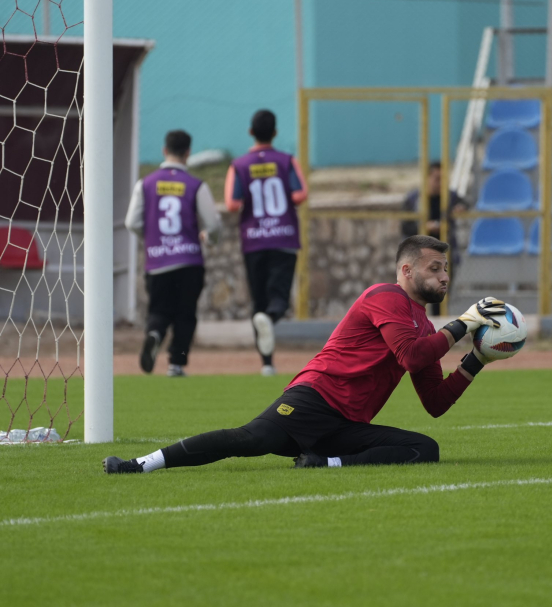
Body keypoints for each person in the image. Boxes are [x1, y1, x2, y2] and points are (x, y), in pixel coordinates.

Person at [102, 235, 506, 474]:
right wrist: (466, 321)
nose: (444, 276)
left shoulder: (423, 326)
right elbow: (412, 357)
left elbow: (434, 402)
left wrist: (476, 361)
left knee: (426, 450)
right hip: (314, 399)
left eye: (446, 269)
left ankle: (326, 463)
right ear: (406, 271)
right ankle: (141, 464)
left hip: (345, 423)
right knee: (249, 439)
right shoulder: (384, 296)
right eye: (435, 268)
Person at [125, 130, 220, 377]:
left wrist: (152, 239)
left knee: (159, 309)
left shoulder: (144, 184)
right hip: (189, 261)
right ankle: (176, 364)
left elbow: (131, 222)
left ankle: (155, 334)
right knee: (185, 314)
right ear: (188, 153)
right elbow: (214, 224)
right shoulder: (196, 185)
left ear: (164, 151)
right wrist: (209, 240)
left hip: (158, 261)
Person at [223, 109, 308, 377]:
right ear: (275, 133)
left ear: (251, 132)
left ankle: (267, 363)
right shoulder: (286, 161)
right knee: (279, 297)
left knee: (258, 300)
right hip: (283, 237)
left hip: (254, 240)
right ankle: (271, 319)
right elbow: (300, 194)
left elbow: (232, 204)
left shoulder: (239, 165)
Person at [402, 161, 467, 314]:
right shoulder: (414, 199)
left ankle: (438, 330)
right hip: (418, 257)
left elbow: (464, 203)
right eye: (437, 178)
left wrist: (461, 208)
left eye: (444, 179)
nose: (441, 183)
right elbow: (405, 227)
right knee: (414, 297)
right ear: (427, 179)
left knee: (440, 296)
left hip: (443, 255)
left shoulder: (449, 197)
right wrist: (425, 227)